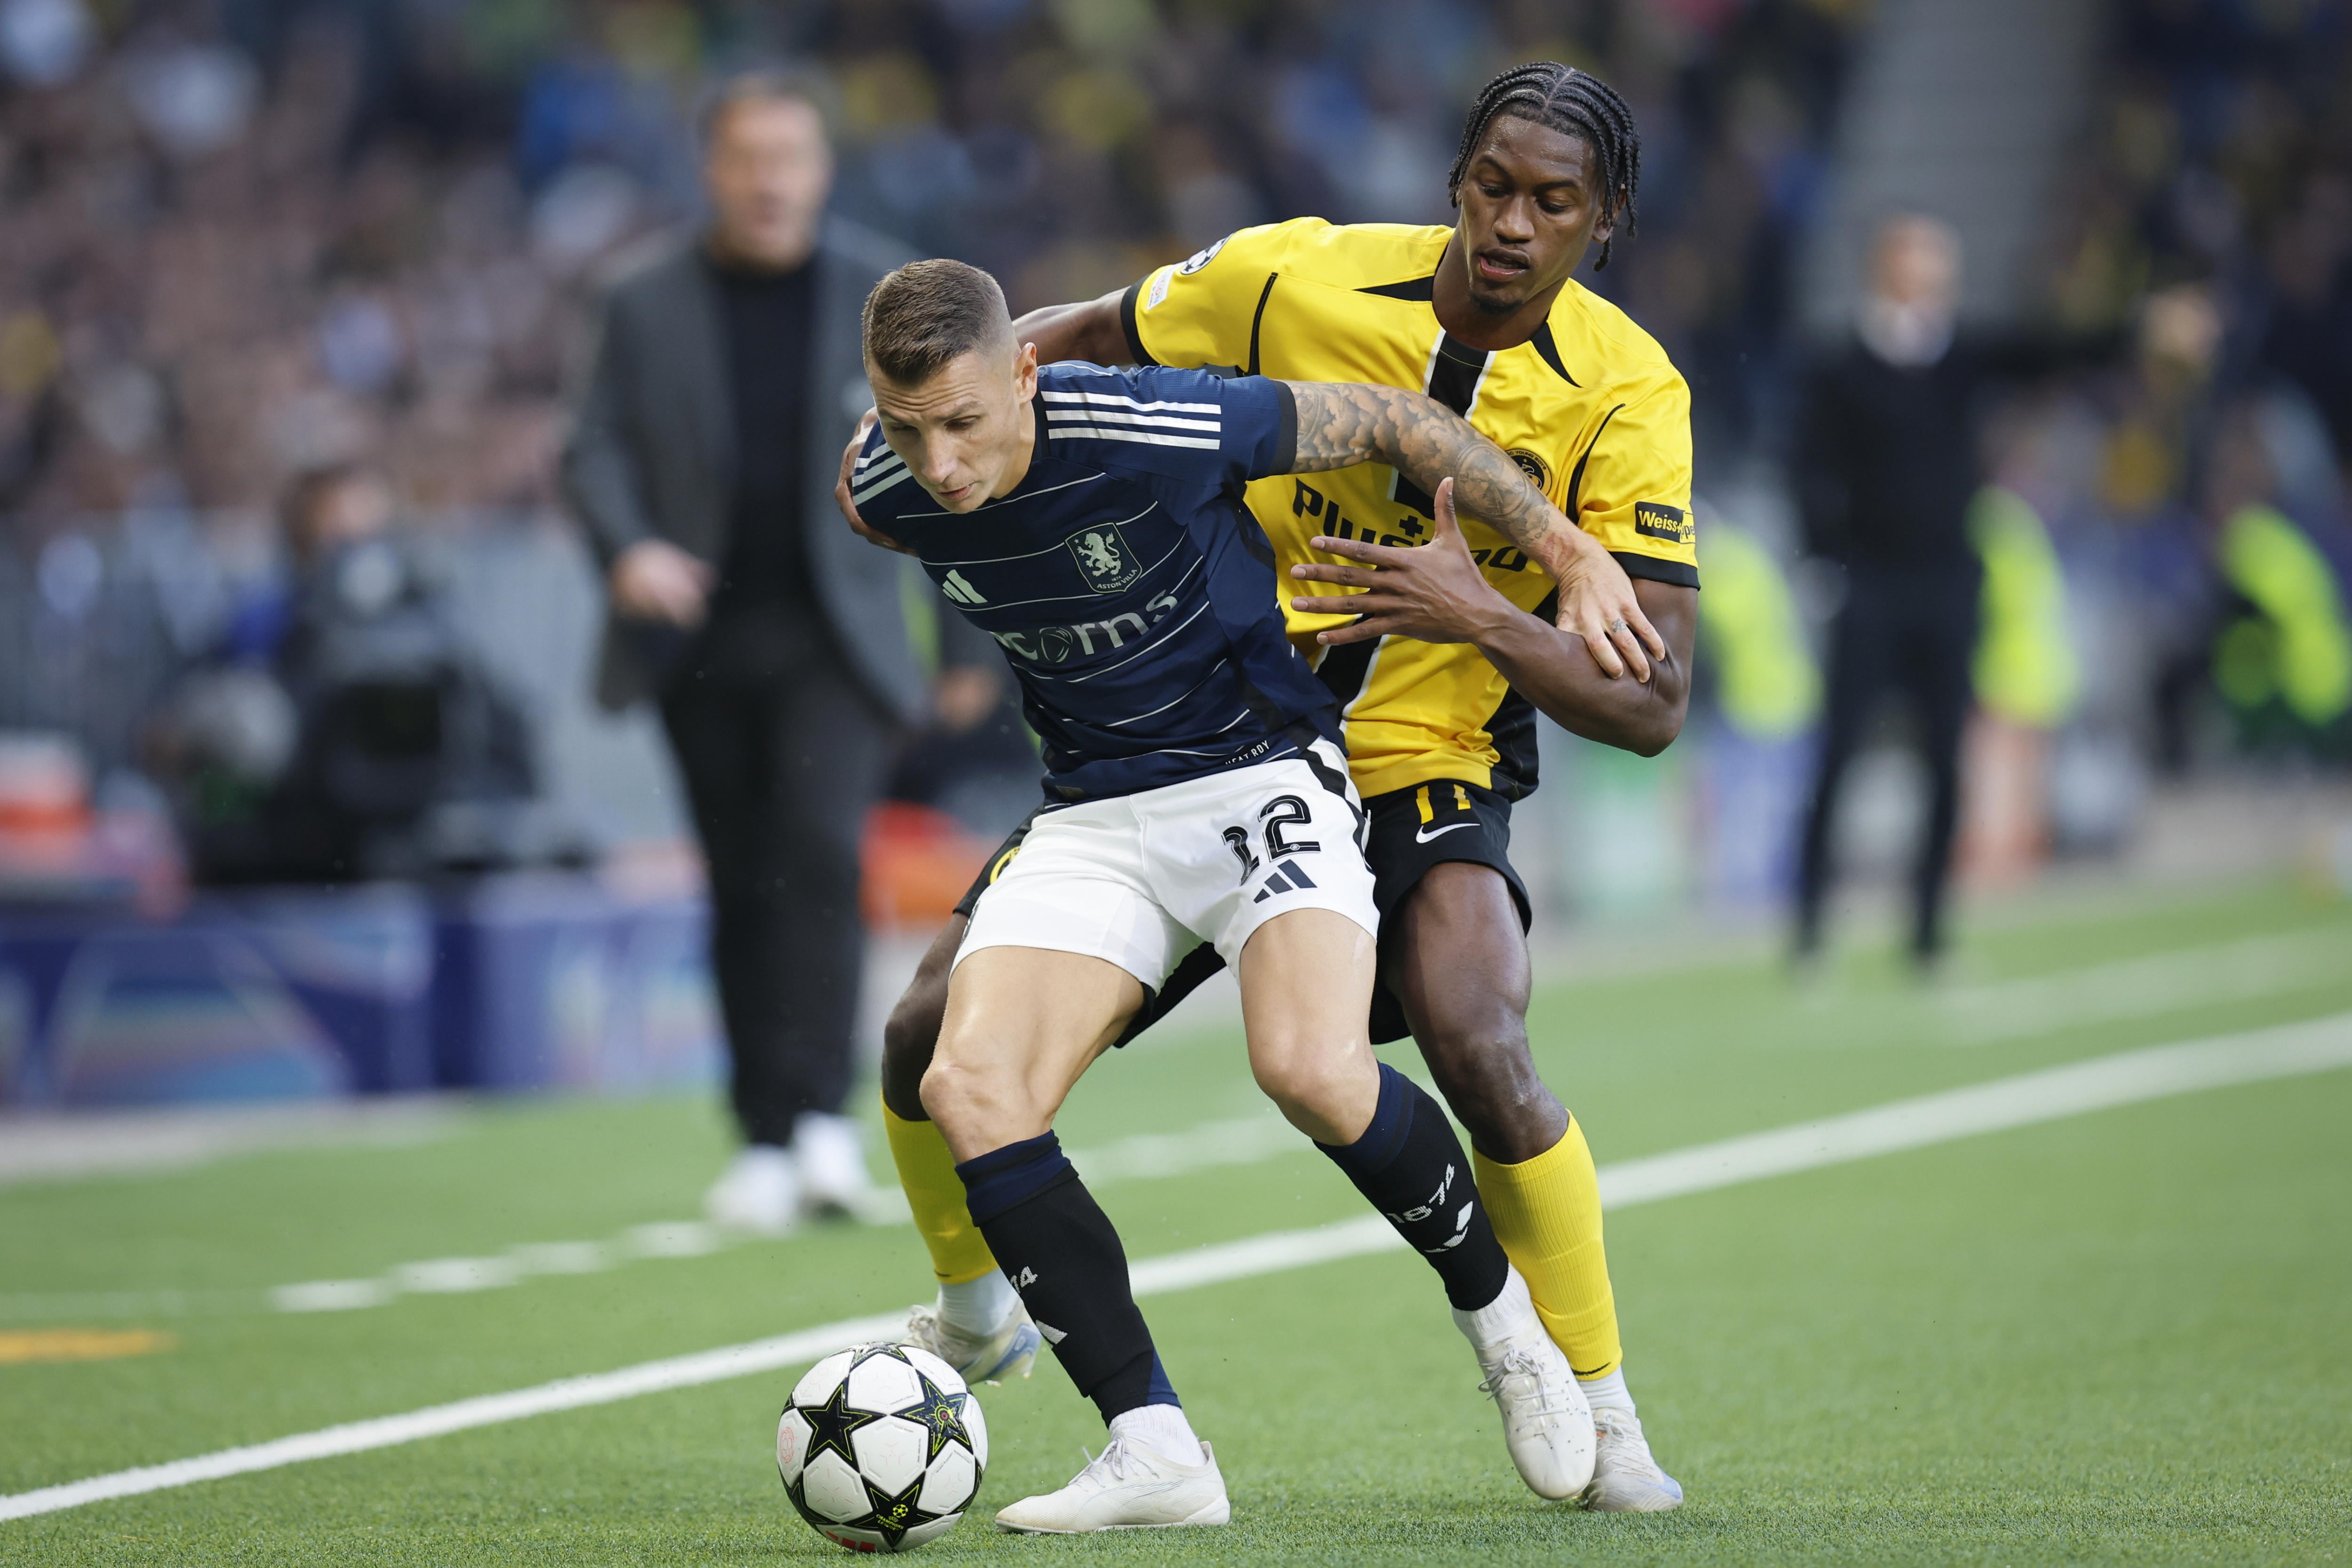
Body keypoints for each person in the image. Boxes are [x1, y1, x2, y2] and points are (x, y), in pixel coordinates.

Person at [850, 63, 1696, 1514]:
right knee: (925, 1037)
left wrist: (1486, 607)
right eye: (1493, 185)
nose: (1511, 223)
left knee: (1475, 1036)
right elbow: (1074, 336)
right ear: (1454, 179)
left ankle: (1599, 1403)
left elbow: (1652, 702)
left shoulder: (1631, 392)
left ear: (1604, 219)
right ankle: (980, 1313)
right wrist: (958, 425)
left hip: (1421, 759)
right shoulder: (1283, 276)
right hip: (1198, 733)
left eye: (1552, 203)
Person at [560, 73, 993, 1232]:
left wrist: (964, 639)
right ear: (711, 170)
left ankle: (818, 1118)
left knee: (814, 848)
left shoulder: (884, 293)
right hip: (692, 632)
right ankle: (758, 1130)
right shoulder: (639, 297)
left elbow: (959, 454)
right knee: (735, 871)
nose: (767, 181)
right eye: (746, 159)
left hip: (834, 630)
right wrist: (631, 547)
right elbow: (592, 447)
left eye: (788, 157)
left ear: (820, 168)